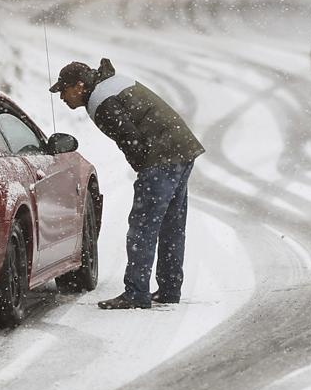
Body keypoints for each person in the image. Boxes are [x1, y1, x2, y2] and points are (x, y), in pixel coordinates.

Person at [50, 58, 205, 309]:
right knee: (171, 224)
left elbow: (130, 138)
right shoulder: (110, 83)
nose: (62, 97)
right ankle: (169, 288)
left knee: (142, 226)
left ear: (79, 85)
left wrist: (144, 169)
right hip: (181, 147)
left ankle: (136, 293)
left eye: (64, 90)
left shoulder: (101, 101)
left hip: (162, 156)